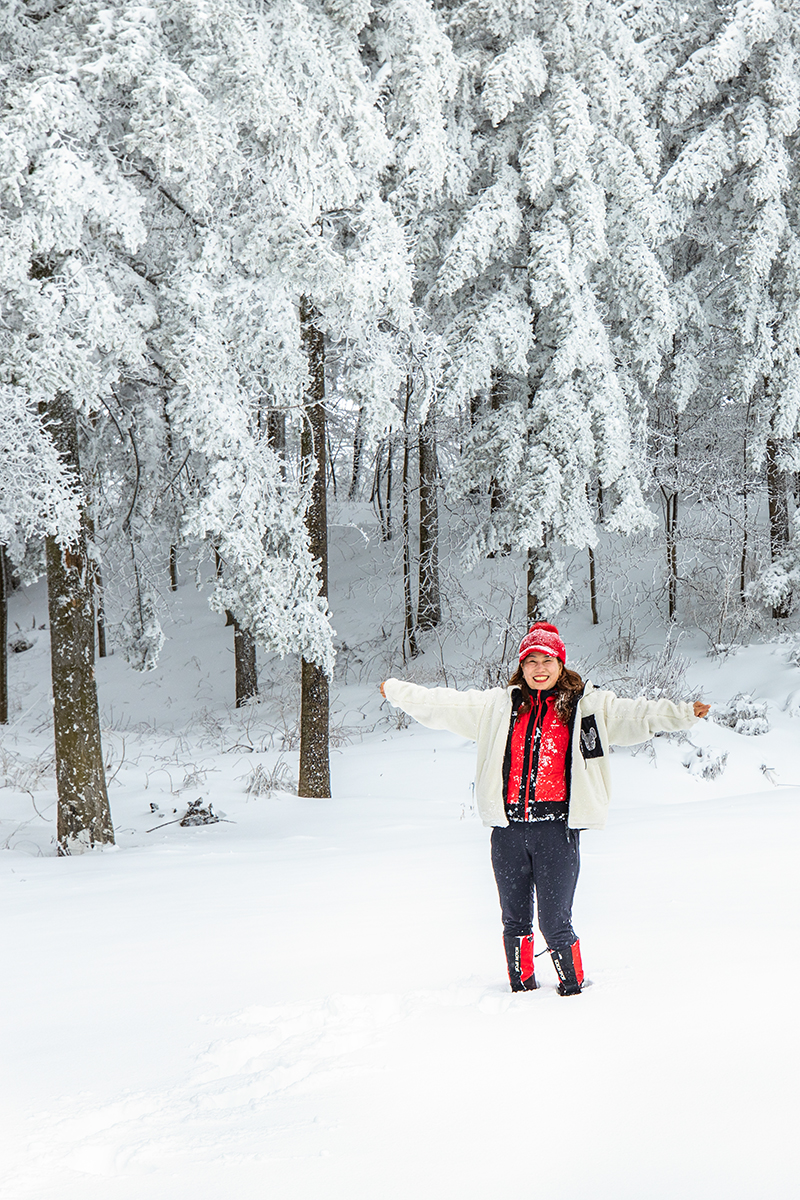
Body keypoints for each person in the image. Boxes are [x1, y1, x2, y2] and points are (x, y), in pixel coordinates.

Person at [380, 622, 710, 997]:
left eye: (547, 660)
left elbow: (638, 716)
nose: (539, 668)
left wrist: (685, 713)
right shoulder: (498, 707)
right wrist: (396, 691)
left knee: (555, 923)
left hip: (555, 831)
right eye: (531, 660)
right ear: (521, 667)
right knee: (515, 921)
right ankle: (521, 992)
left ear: (560, 663)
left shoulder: (587, 708)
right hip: (508, 831)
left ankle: (572, 990)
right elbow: (443, 704)